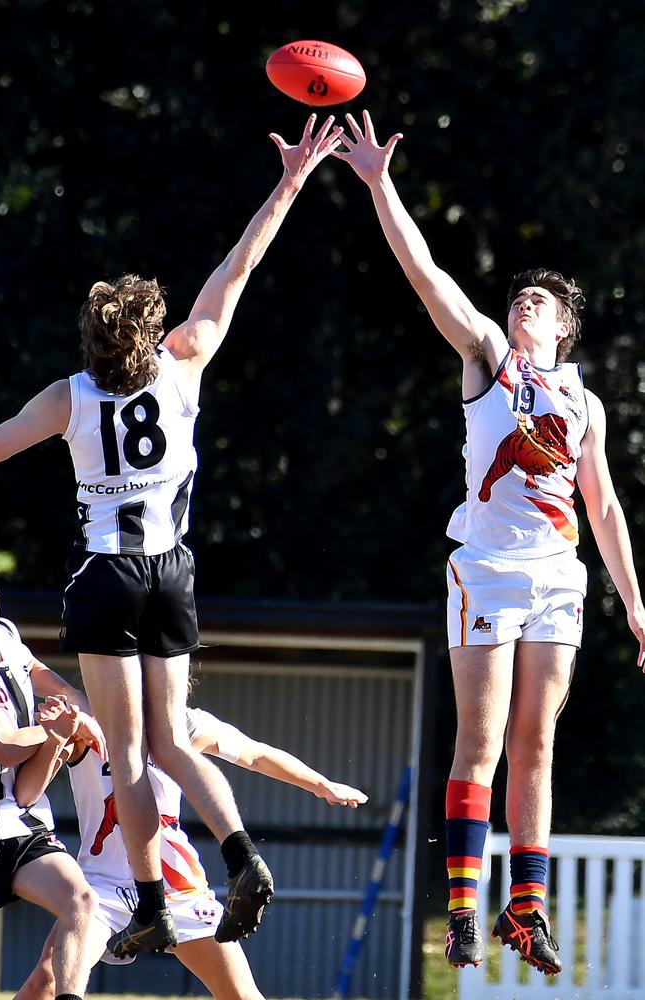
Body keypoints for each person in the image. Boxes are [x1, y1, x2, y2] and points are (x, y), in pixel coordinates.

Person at [0, 113, 345, 959]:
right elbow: (239, 268)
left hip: (107, 576)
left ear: (91, 341)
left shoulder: (72, 395)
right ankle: (245, 857)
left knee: (126, 747)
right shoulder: (184, 360)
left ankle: (151, 899)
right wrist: (291, 179)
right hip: (174, 571)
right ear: (149, 333)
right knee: (176, 739)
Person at [332, 111, 645, 976]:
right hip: (485, 570)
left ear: (564, 331)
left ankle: (525, 912)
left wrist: (636, 602)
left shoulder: (585, 403)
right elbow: (427, 274)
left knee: (535, 745)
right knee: (481, 738)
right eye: (519, 296)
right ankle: (464, 911)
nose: (523, 302)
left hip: (558, 576)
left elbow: (606, 508)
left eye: (538, 301)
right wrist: (378, 183)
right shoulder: (489, 359)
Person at [14, 699, 368, 1000]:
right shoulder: (91, 721)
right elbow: (29, 764)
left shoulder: (183, 725)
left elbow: (256, 755)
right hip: (103, 888)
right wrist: (55, 726)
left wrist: (322, 784)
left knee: (242, 995)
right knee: (46, 981)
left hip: (177, 890)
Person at [0, 595, 108, 1000]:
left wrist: (80, 720)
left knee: (80, 900)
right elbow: (4, 745)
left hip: (18, 823)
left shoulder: (5, 634)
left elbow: (26, 792)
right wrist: (57, 728)